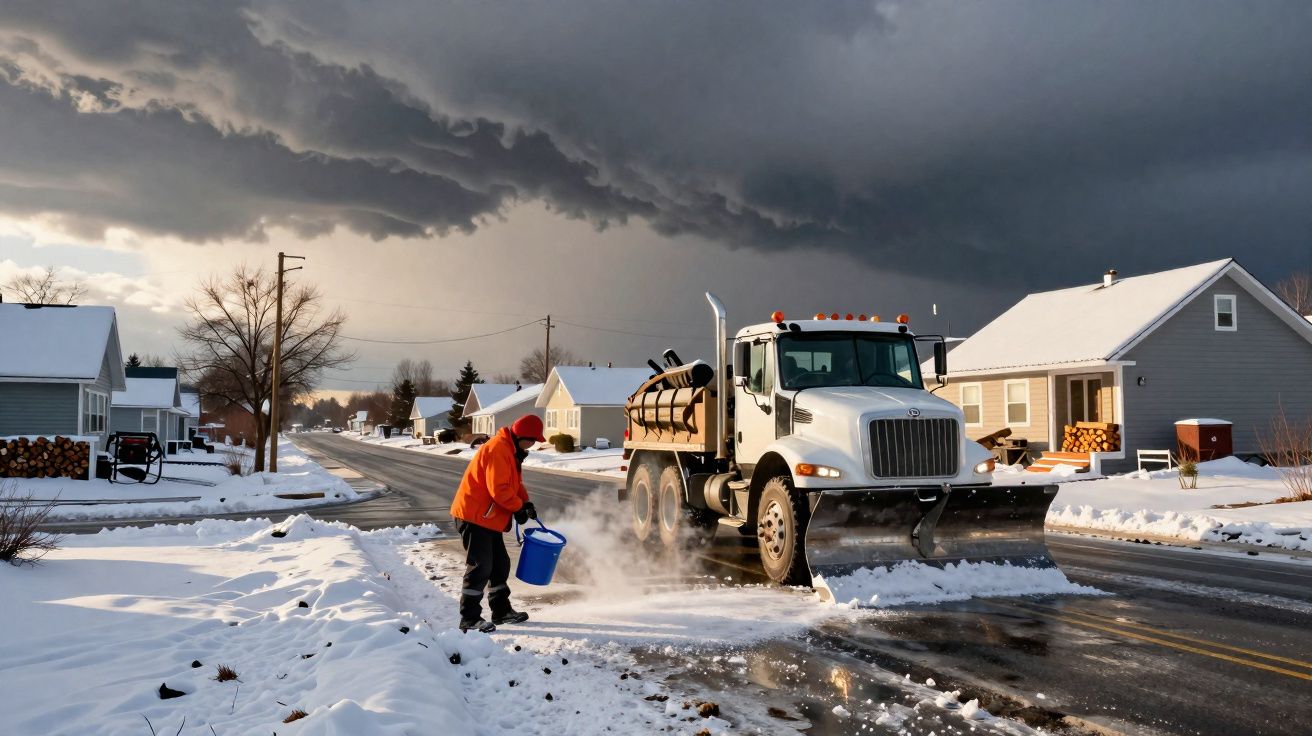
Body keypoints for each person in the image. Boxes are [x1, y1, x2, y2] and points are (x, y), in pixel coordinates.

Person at [449, 414, 545, 633]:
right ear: (522, 436)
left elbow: (515, 484)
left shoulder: (512, 451)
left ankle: (501, 611)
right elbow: (499, 490)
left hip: (488, 517)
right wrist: (517, 507)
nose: (533, 445)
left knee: (500, 564)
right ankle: (469, 619)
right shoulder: (499, 449)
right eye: (532, 441)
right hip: (474, 516)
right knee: (481, 566)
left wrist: (525, 502)